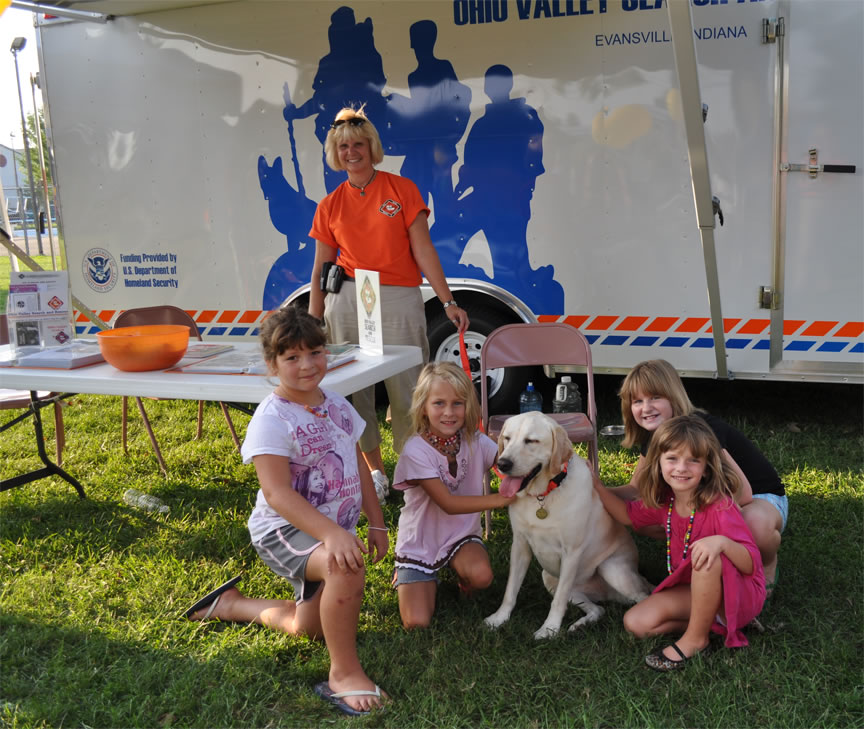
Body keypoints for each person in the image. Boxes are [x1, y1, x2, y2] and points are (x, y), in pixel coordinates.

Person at [181, 307, 389, 717]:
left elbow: (358, 464)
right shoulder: (272, 419)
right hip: (282, 532)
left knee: (306, 629)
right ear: (272, 364)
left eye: (315, 352)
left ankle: (229, 605)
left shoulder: (337, 404)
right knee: (345, 566)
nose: (307, 365)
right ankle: (343, 675)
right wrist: (332, 534)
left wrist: (377, 521)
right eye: (292, 358)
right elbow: (276, 494)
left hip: (324, 532)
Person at [308, 106, 470, 502]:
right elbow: (320, 267)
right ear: (335, 153)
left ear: (372, 147)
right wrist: (312, 322)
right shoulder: (329, 204)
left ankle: (415, 470)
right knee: (352, 391)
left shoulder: (401, 190)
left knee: (410, 387)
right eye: (343, 146)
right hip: (346, 298)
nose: (351, 152)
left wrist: (447, 300)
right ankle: (375, 473)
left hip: (397, 296)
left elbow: (424, 249)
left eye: (358, 144)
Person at [593, 415, 766, 671]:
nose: (681, 468)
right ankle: (717, 623)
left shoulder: (720, 506)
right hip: (697, 591)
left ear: (706, 467)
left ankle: (696, 639)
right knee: (637, 623)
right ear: (659, 463)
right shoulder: (667, 501)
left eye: (693, 460)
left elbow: (751, 563)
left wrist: (720, 542)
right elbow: (626, 515)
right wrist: (595, 485)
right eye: (672, 459)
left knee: (707, 556)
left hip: (738, 593)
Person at [615, 359, 786, 595]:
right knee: (646, 518)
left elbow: (743, 493)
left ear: (673, 396)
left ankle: (765, 565)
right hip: (708, 500)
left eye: (655, 397)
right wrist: (591, 489)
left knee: (752, 524)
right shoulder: (655, 436)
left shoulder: (700, 430)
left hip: (758, 498)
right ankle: (698, 560)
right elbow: (635, 489)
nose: (646, 408)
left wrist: (708, 520)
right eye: (637, 401)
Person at [392, 362, 515, 629]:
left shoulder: (475, 440)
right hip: (420, 542)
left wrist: (541, 469)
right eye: (439, 403)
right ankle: (410, 573)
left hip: (461, 536)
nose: (449, 412)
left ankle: (461, 574)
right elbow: (448, 504)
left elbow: (507, 465)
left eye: (457, 403)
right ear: (423, 406)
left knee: (482, 576)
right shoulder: (416, 450)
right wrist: (501, 499)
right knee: (417, 622)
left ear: (469, 406)